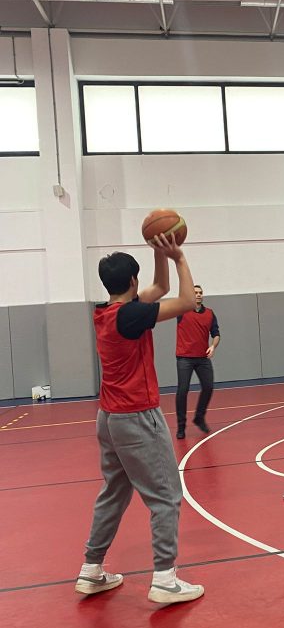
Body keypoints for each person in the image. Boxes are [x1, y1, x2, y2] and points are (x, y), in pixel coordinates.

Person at [74, 234, 205, 604]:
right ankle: (164, 578)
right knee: (166, 496)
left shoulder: (106, 312)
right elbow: (184, 301)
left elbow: (160, 288)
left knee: (114, 492)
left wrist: (158, 254)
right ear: (133, 281)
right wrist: (179, 258)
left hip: (109, 418)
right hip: (137, 417)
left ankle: (91, 569)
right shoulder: (131, 316)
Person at [175, 284, 220, 439]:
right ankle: (181, 426)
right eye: (195, 293)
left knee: (208, 386)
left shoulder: (210, 314)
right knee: (182, 390)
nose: (198, 295)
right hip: (184, 357)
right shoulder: (182, 311)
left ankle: (199, 418)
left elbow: (216, 334)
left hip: (202, 358)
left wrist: (213, 346)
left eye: (200, 292)